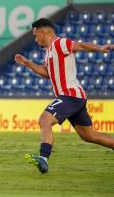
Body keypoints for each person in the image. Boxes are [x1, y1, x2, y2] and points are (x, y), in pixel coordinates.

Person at [14, 18, 114, 174]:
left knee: (44, 119)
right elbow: (47, 73)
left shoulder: (59, 43)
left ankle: (44, 158)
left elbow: (80, 45)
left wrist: (100, 48)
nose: (35, 39)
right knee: (89, 136)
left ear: (43, 31)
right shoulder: (48, 53)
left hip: (70, 95)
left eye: (35, 35)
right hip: (73, 97)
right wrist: (27, 63)